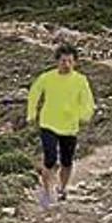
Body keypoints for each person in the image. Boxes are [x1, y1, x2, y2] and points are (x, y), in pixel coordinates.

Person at [20, 44, 95, 209]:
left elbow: (88, 100)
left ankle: (63, 188)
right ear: (57, 62)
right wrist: (31, 114)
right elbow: (34, 94)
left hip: (70, 126)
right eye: (63, 61)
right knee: (50, 159)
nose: (66, 64)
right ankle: (47, 192)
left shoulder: (80, 80)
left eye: (70, 61)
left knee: (67, 161)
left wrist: (85, 115)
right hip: (48, 123)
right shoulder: (47, 78)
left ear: (75, 62)